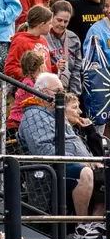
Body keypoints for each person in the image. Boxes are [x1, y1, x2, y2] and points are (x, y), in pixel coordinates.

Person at [17, 72, 97, 230]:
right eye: (59, 91)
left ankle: (98, 223)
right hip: (50, 171)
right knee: (84, 173)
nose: (63, 95)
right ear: (45, 93)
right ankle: (82, 226)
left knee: (103, 170)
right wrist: (78, 160)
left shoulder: (55, 114)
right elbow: (43, 149)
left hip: (70, 164)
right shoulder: (33, 114)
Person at [83, 0, 110, 133]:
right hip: (103, 86)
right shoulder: (96, 30)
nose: (108, 10)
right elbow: (90, 61)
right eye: (106, 6)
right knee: (101, 127)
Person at [5, 5, 54, 80]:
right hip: (28, 89)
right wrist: (31, 76)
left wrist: (56, 68)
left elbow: (44, 69)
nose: (52, 26)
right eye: (50, 23)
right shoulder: (20, 41)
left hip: (43, 88)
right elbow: (10, 68)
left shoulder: (43, 40)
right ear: (41, 25)